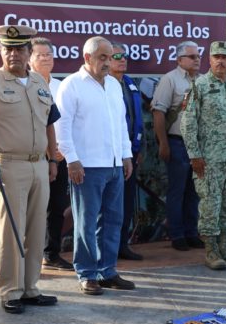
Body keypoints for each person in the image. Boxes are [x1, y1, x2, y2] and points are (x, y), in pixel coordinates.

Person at [0, 25, 59, 314]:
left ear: (28, 53)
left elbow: (50, 122)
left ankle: (31, 287)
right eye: (8, 48)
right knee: (10, 230)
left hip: (39, 164)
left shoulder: (39, 81)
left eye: (20, 49)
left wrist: (53, 159)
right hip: (8, 164)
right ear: (0, 51)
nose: (14, 54)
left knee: (37, 229)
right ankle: (10, 290)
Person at [56, 37, 135, 295]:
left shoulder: (113, 85)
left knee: (113, 220)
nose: (107, 62)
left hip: (113, 164)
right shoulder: (71, 86)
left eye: (110, 57)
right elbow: (62, 127)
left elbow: (121, 124)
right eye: (102, 57)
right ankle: (87, 273)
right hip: (87, 166)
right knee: (86, 222)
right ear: (87, 58)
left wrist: (125, 155)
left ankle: (107, 271)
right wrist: (72, 160)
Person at [181, 41, 226, 269]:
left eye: (225, 57)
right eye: (216, 56)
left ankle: (225, 248)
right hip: (208, 161)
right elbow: (188, 124)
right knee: (211, 206)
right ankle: (211, 251)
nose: (220, 61)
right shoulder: (199, 86)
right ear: (210, 60)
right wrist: (195, 156)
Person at [151, 41, 204, 251]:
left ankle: (192, 232)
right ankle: (177, 234)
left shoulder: (202, 81)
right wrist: (163, 143)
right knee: (177, 191)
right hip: (177, 143)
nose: (197, 60)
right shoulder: (170, 80)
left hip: (197, 146)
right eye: (192, 57)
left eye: (198, 56)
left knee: (194, 191)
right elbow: (158, 112)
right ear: (180, 60)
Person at [30, 37, 73, 271]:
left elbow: (68, 122)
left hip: (60, 157)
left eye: (49, 54)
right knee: (34, 208)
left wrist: (62, 151)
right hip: (35, 156)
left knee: (57, 207)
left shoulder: (61, 86)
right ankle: (30, 257)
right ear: (29, 59)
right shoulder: (25, 85)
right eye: (40, 55)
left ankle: (52, 253)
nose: (46, 58)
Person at [107, 43, 144, 260]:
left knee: (127, 203)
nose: (122, 59)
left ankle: (122, 245)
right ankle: (107, 250)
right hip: (110, 157)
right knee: (110, 206)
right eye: (117, 56)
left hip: (130, 154)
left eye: (125, 55)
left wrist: (139, 148)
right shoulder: (105, 85)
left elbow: (138, 118)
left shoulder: (129, 83)